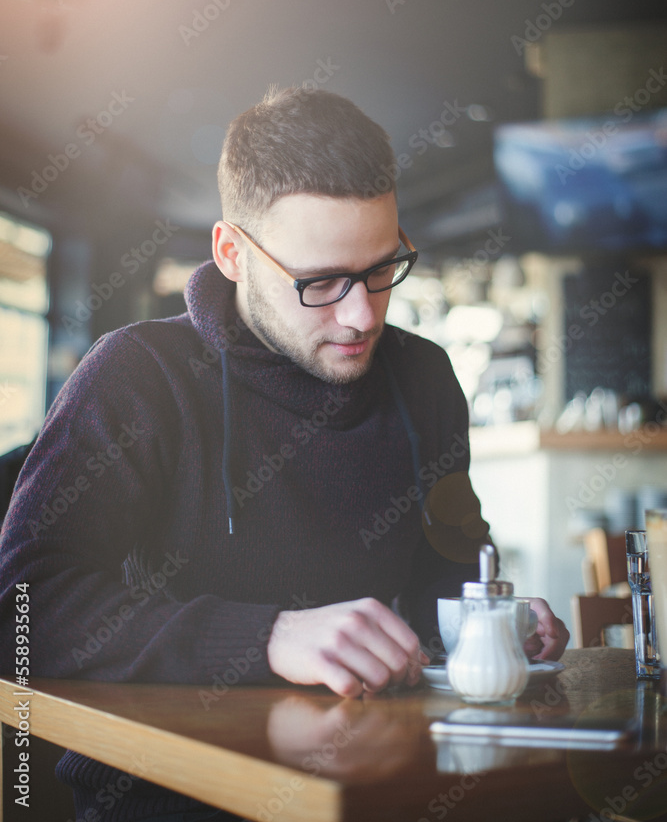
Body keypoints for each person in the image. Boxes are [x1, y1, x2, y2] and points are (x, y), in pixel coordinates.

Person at [0, 86, 568, 821]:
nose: (361, 314)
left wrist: (494, 615)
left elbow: (453, 564)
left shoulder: (423, 377)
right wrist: (264, 635)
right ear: (232, 254)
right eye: (321, 282)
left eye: (380, 268)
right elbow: (21, 609)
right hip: (168, 798)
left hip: (374, 786)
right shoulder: (139, 376)